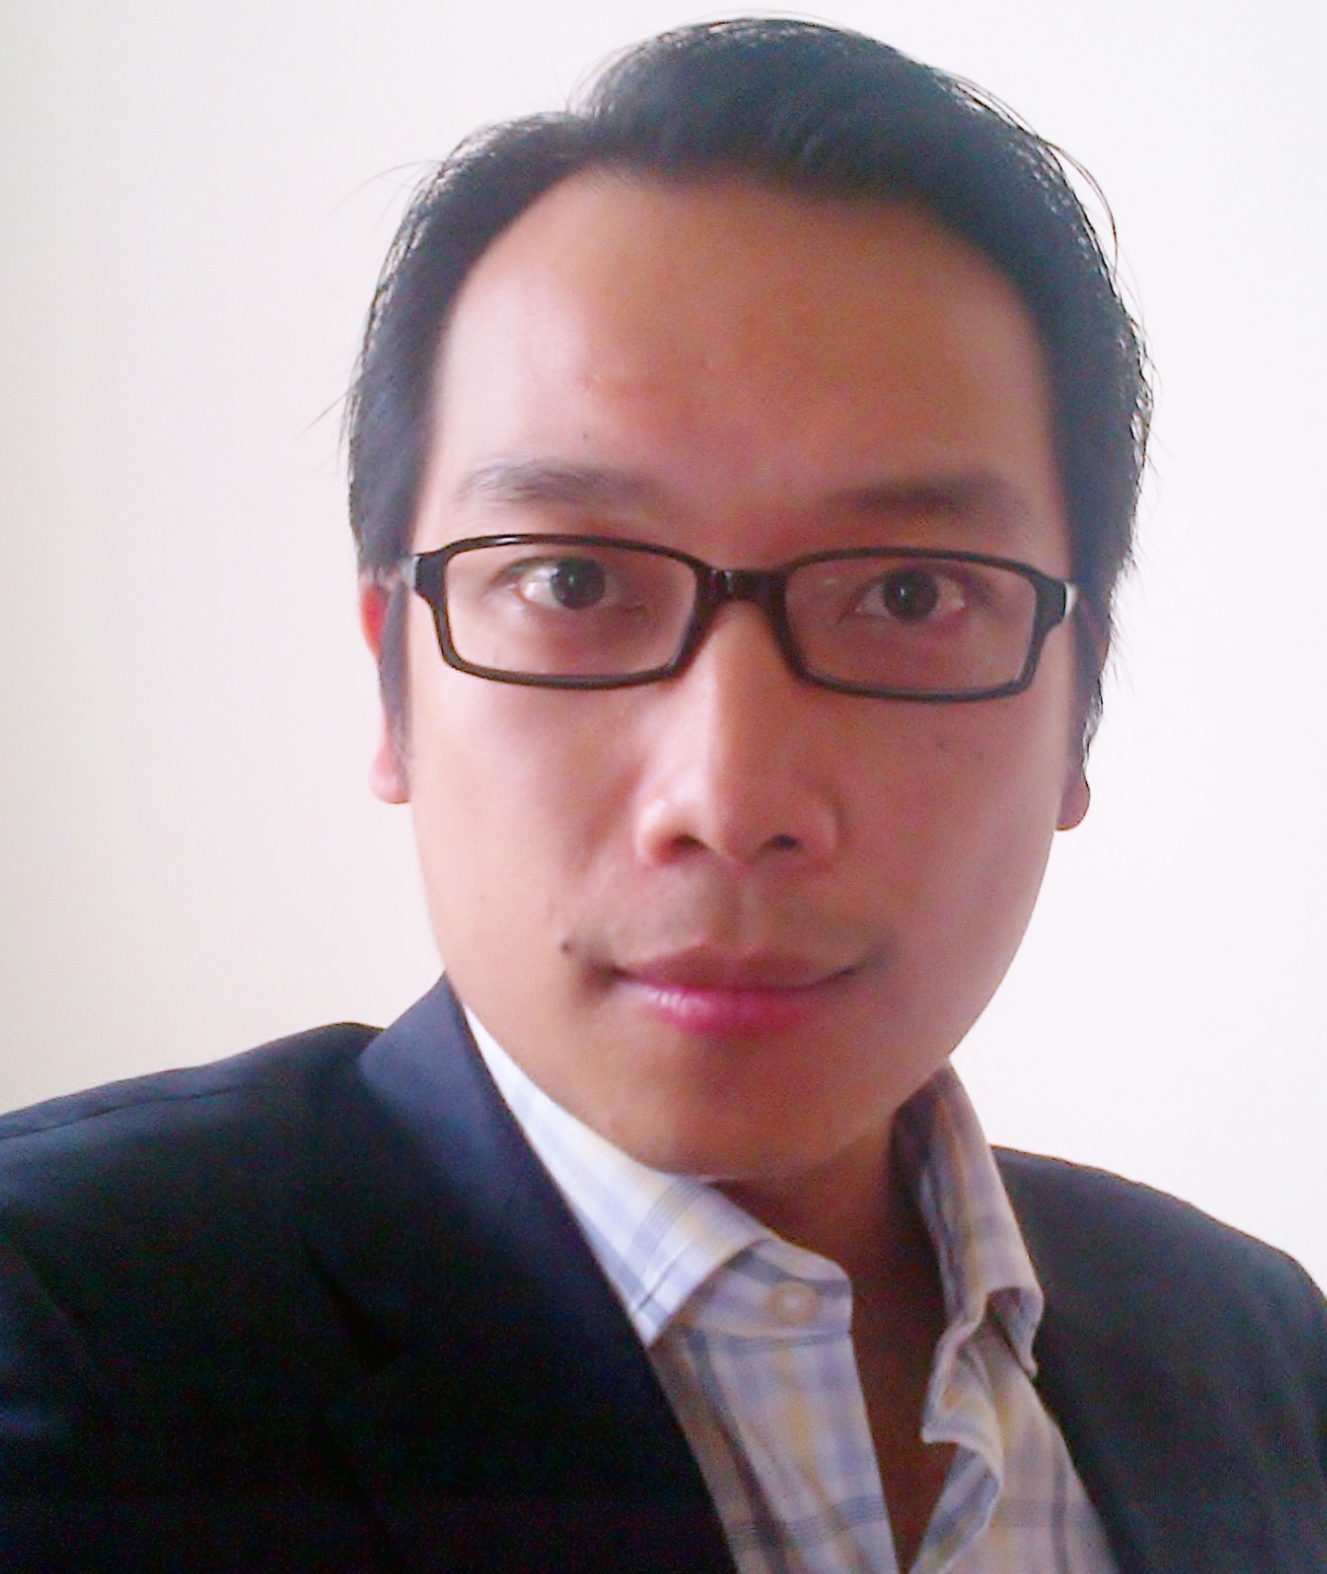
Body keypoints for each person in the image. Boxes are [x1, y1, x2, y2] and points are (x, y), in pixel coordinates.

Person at [0, 18, 1323, 1573]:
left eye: (908, 593)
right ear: (394, 681)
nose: (730, 796)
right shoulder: (69, 1341)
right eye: (572, 580)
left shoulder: (1254, 1348)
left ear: (1078, 701)